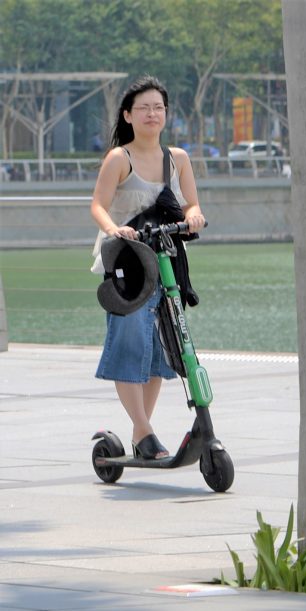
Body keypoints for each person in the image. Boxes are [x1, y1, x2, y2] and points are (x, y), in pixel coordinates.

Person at [89, 76, 206, 460]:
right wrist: (114, 229)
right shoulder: (119, 159)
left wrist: (194, 214)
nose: (152, 114)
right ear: (128, 115)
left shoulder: (178, 159)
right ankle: (144, 431)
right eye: (144, 108)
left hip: (166, 264)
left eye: (158, 107)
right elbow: (98, 205)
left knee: (160, 349)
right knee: (130, 342)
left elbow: (191, 203)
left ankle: (142, 434)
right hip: (128, 262)